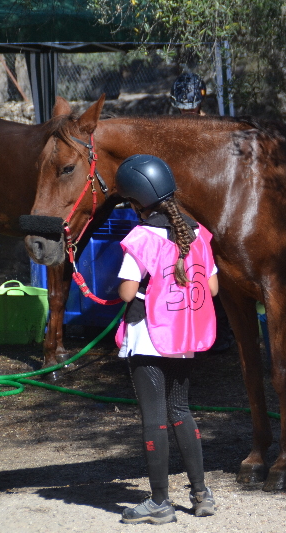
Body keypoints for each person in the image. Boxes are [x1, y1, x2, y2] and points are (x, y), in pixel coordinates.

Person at [114, 154, 218, 525]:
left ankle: (159, 502)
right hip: (183, 337)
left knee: (154, 416)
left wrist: (142, 282)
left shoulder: (142, 236)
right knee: (181, 411)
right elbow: (213, 285)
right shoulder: (198, 233)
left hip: (148, 337)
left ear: (136, 202)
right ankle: (201, 494)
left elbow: (127, 294)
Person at [169, 72, 235, 353]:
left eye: (191, 106)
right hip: (183, 210)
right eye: (183, 107)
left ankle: (223, 331)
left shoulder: (214, 130)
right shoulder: (168, 131)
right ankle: (182, 327)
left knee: (216, 269)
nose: (188, 112)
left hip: (212, 211)